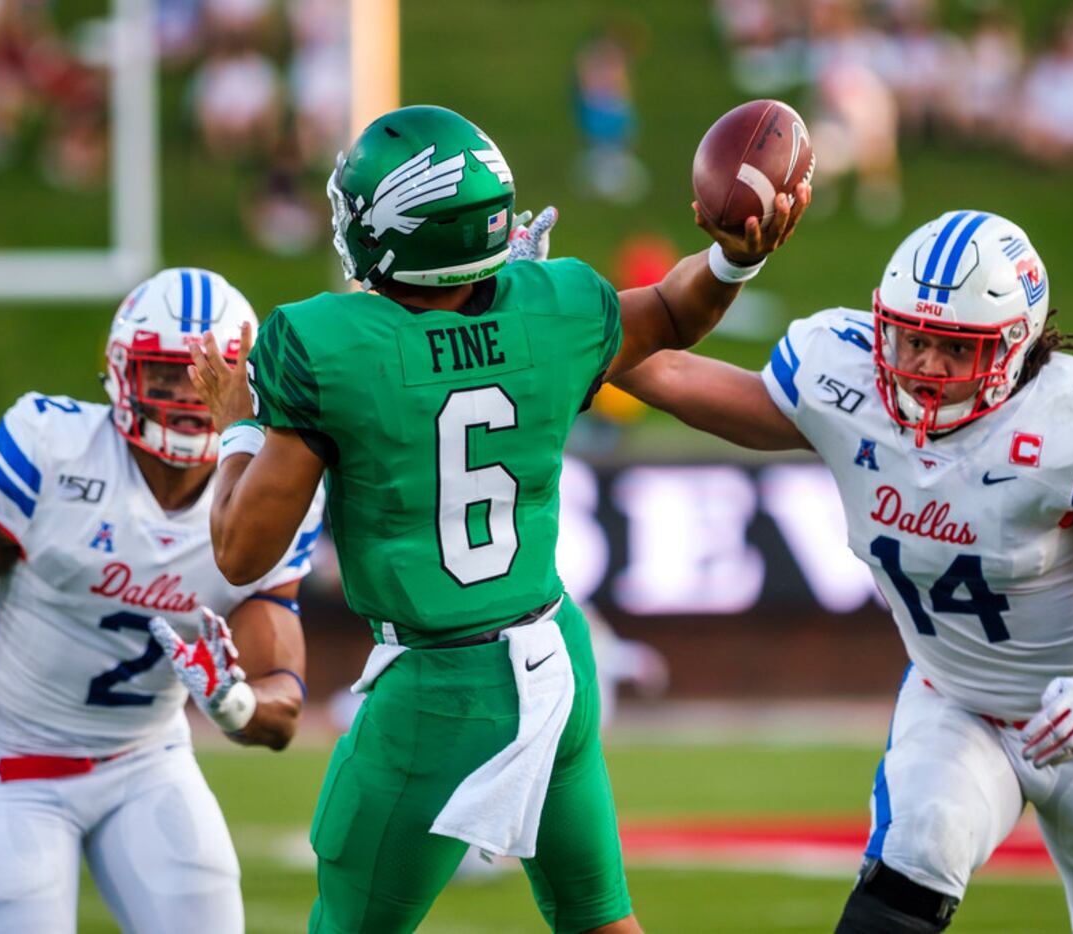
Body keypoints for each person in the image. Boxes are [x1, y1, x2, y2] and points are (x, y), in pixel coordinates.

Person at [186, 103, 808, 934]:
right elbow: (671, 311)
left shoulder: (326, 345)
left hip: (437, 691)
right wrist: (733, 262)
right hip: (556, 658)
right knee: (598, 918)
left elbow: (240, 549)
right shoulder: (556, 308)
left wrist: (237, 422)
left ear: (397, 232)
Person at [614, 210, 1073, 933]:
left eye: (954, 348)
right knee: (912, 860)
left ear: (1014, 346)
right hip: (952, 700)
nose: (924, 364)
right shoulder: (845, 380)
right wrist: (559, 327)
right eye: (912, 336)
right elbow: (667, 369)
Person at [0, 268, 325, 933]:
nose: (192, 393)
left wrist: (237, 703)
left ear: (245, 384)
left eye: (213, 375)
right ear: (120, 370)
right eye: (168, 373)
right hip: (15, 760)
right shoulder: (53, 451)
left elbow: (281, 705)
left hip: (147, 762)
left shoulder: (270, 496)